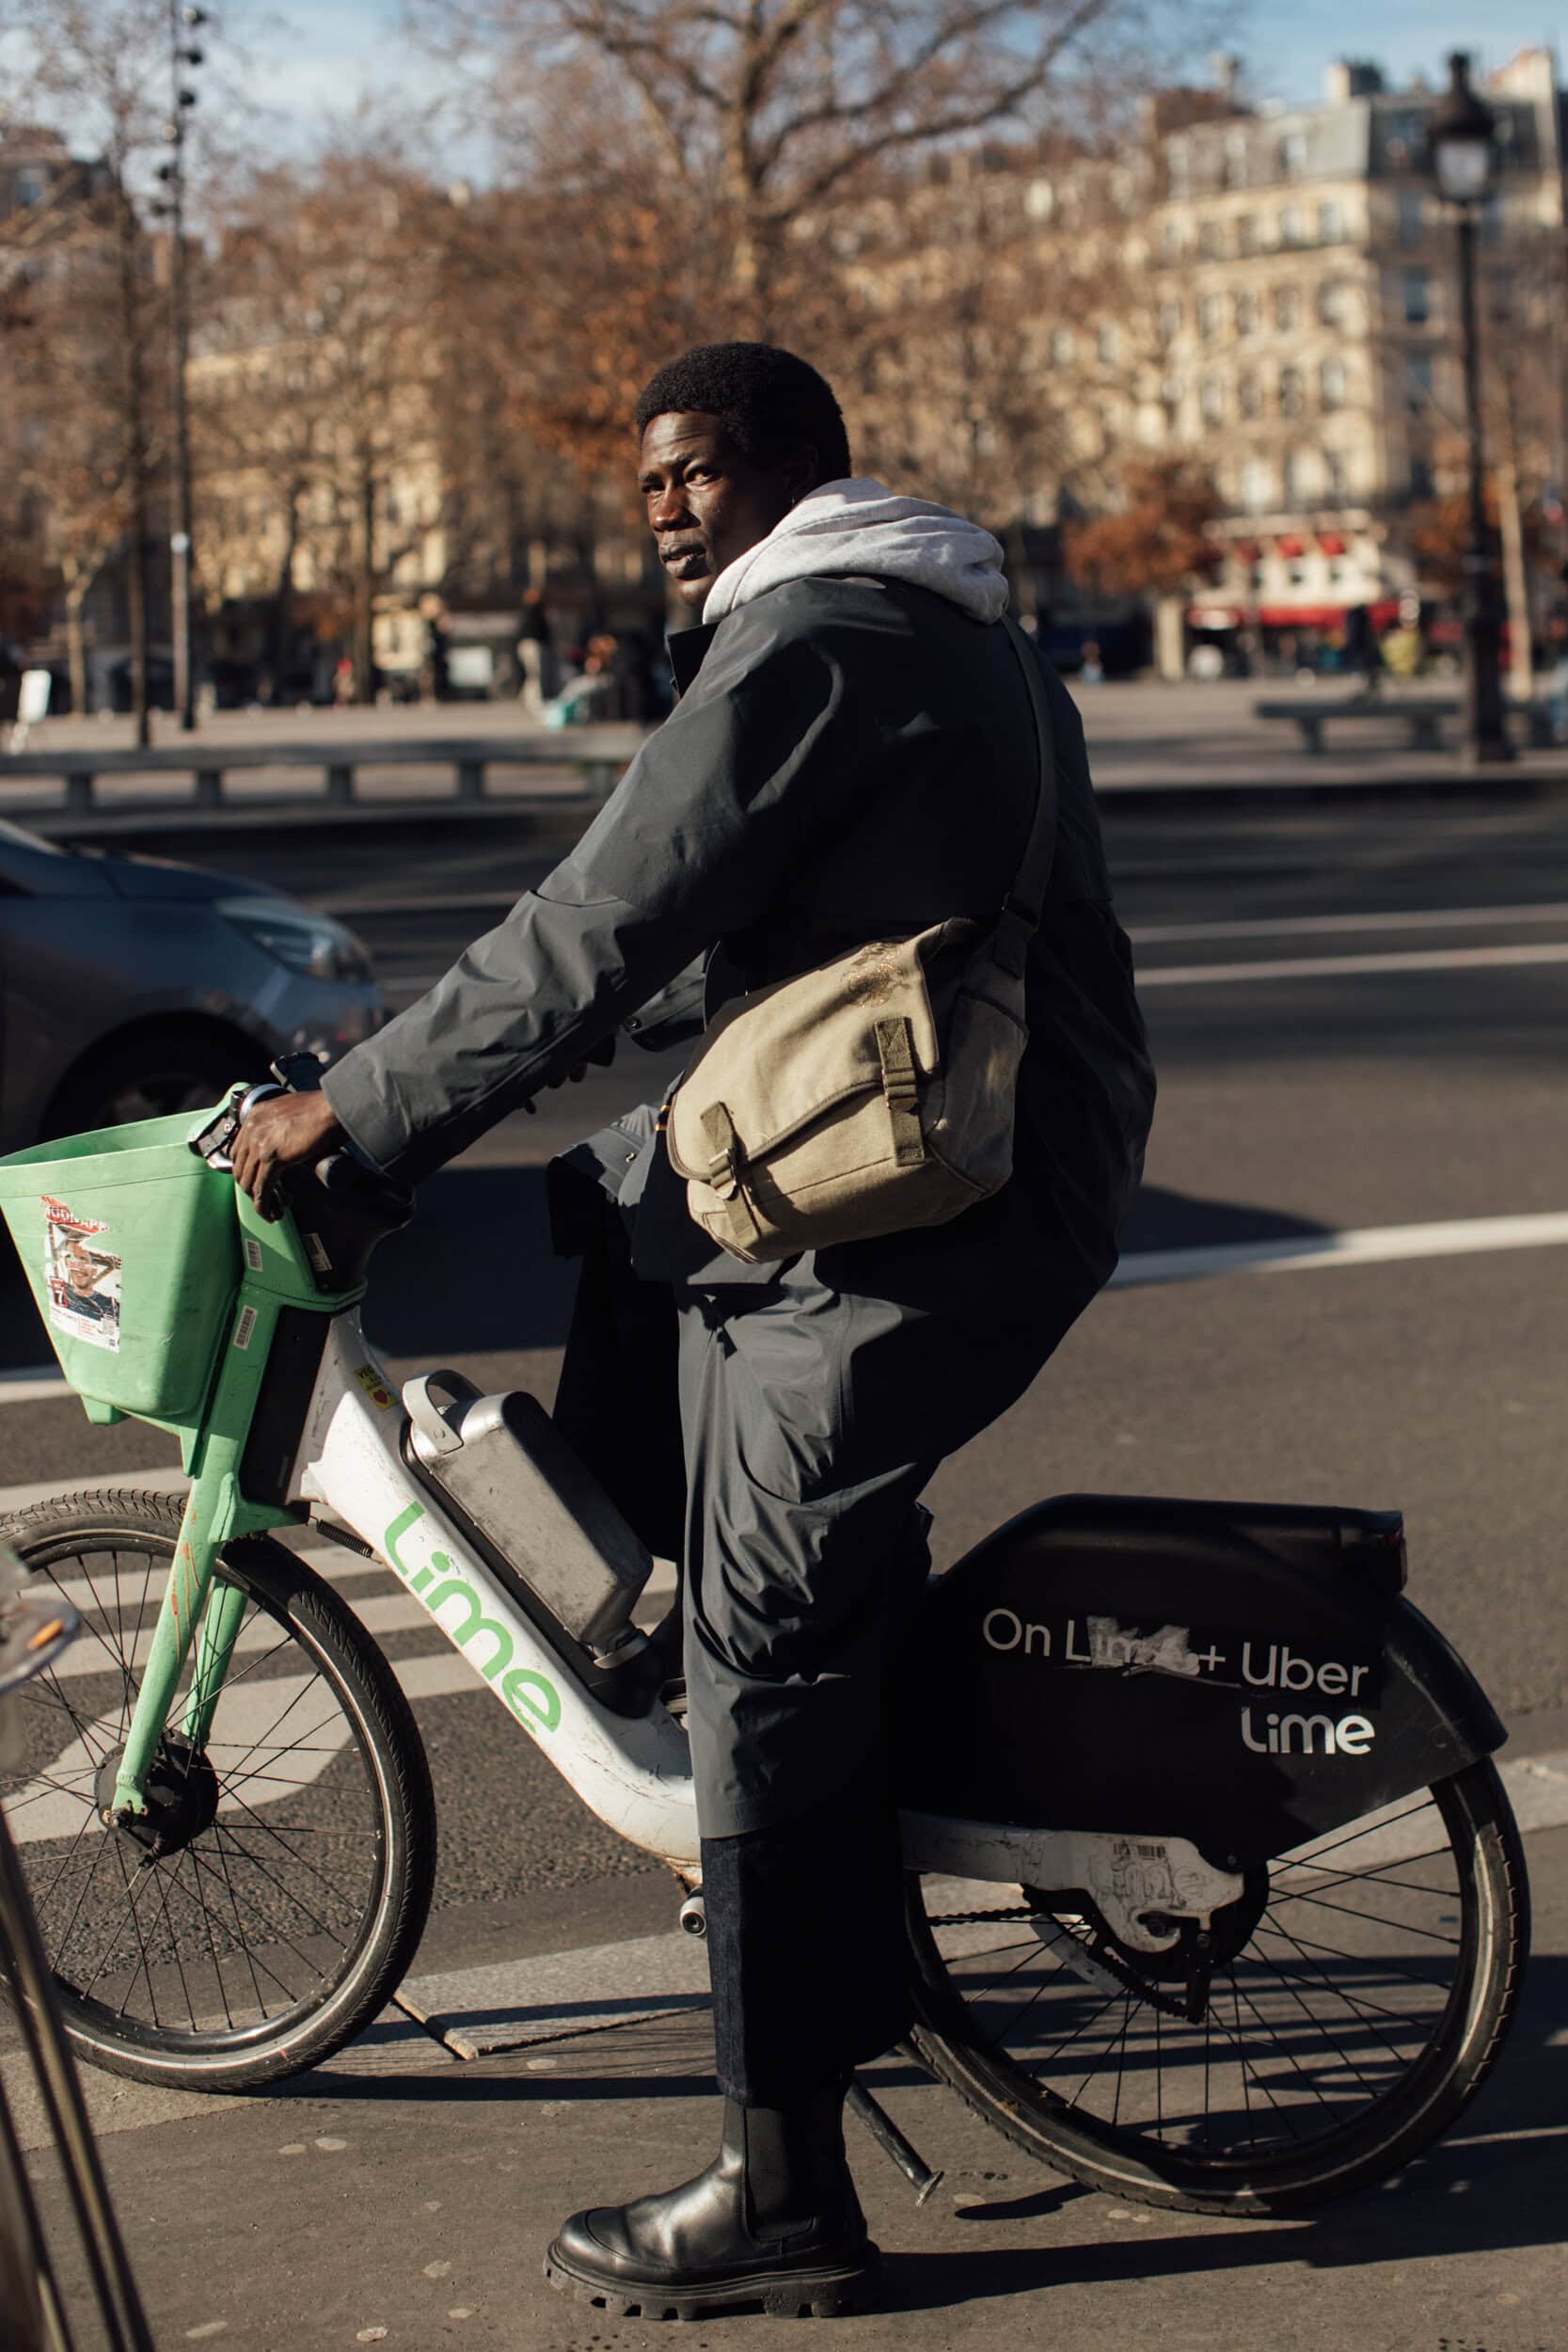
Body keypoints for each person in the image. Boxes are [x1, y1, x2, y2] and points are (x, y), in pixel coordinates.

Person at [230, 342, 1155, 2319]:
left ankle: (786, 2182)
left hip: (947, 1197)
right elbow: (704, 925)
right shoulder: (906, 609)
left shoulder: (820, 635)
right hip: (947, 1145)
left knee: (771, 1644)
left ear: (797, 469)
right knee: (618, 1213)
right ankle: (754, 1796)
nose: (665, 502)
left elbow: (598, 920)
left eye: (701, 470)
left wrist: (367, 1109)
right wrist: (442, 1075)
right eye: (650, 474)